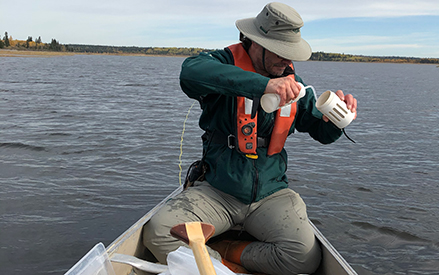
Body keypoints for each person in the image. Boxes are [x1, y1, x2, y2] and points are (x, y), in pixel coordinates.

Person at [143, 2, 358, 275]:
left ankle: (224, 252)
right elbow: (190, 72)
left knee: (304, 259)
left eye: (290, 53)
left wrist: (335, 122)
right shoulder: (221, 63)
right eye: (281, 52)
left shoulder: (294, 84)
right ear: (257, 42)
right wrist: (264, 85)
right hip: (218, 192)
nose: (287, 61)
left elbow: (321, 134)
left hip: (271, 194)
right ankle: (221, 268)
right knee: (158, 231)